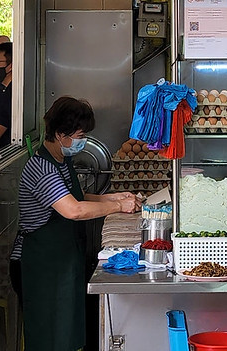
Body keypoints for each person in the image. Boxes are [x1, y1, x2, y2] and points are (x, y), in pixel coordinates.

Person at [10, 96, 140, 351]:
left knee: (66, 334)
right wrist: (117, 206)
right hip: (41, 267)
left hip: (61, 263)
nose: (83, 141)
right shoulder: (42, 168)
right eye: (80, 135)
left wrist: (110, 197)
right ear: (60, 134)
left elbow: (74, 197)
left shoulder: (61, 161)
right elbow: (73, 210)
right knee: (49, 337)